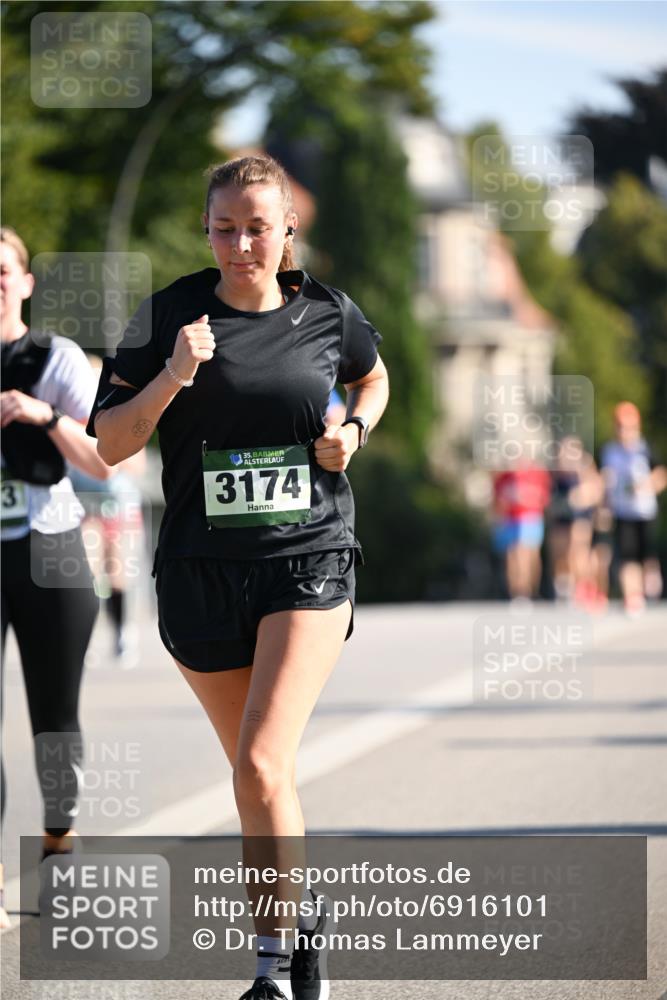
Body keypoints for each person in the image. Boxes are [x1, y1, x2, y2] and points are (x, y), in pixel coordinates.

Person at [88, 154, 389, 1000]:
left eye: (258, 227)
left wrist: (354, 432)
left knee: (260, 764)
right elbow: (110, 443)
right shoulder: (169, 315)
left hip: (308, 556)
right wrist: (174, 374)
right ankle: (303, 918)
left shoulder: (327, 312)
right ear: (207, 228)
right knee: (262, 780)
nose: (241, 244)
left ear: (287, 228)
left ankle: (272, 970)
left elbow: (372, 375)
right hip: (200, 571)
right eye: (225, 227)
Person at [0, 227, 111, 930]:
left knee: (54, 717)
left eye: (1, 271)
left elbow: (105, 459)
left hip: (51, 550)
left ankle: (58, 844)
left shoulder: (53, 358)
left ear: (25, 281)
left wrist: (42, 415)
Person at [600, 402, 667, 616]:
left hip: (645, 511)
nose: (624, 431)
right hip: (622, 511)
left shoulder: (645, 449)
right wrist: (604, 505)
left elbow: (661, 475)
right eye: (620, 426)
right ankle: (633, 597)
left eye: (628, 426)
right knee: (627, 556)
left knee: (646, 556)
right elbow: (605, 480)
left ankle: (650, 581)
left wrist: (647, 485)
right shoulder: (609, 451)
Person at [547, 436, 604, 608]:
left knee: (577, 552)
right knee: (559, 554)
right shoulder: (556, 468)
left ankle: (584, 588)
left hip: (580, 516)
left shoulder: (584, 465)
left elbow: (596, 489)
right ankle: (564, 588)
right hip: (561, 515)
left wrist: (582, 496)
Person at [492, 456, 551, 603]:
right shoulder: (504, 477)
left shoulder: (537, 474)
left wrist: (526, 497)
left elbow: (544, 498)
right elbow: (496, 501)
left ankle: (531, 589)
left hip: (531, 518)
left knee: (529, 555)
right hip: (511, 519)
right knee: (514, 556)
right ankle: (518, 592)